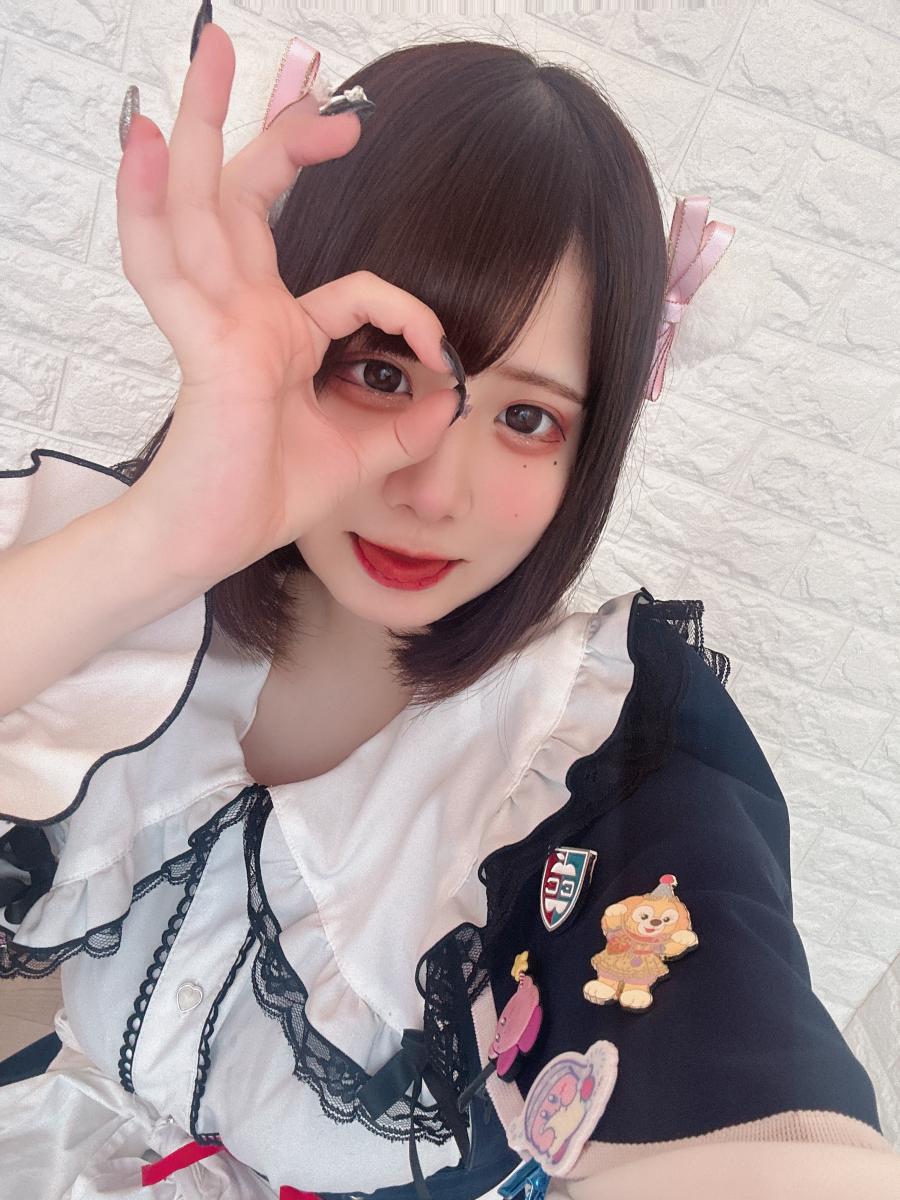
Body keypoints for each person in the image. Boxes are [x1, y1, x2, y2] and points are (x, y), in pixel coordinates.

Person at [0, 6, 897, 1199]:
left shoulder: (589, 761)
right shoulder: (129, 601)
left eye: (527, 417)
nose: (434, 490)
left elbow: (765, 1121)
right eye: (383, 371)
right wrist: (162, 537)